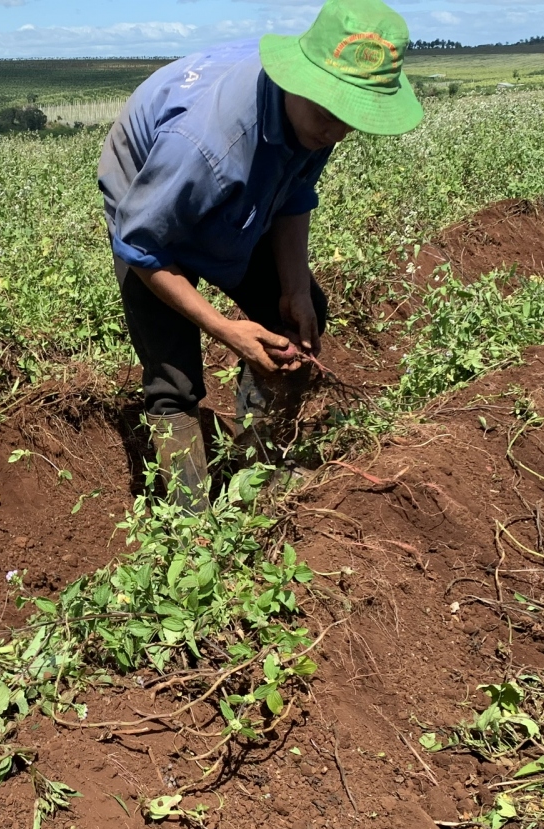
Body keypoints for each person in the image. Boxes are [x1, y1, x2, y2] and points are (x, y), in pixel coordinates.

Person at [98, 0, 424, 508]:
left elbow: (292, 193)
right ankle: (193, 525)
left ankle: (257, 473)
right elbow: (143, 244)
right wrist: (227, 331)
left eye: (352, 117)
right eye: (330, 113)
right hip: (152, 190)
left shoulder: (316, 113)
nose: (338, 131)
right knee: (173, 378)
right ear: (299, 81)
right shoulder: (204, 144)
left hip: (229, 179)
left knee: (298, 317)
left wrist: (294, 287)